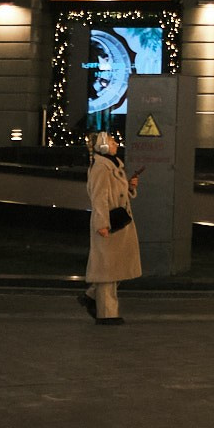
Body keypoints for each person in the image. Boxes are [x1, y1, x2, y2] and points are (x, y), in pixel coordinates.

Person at [82, 130, 140, 324]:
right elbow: (99, 198)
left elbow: (116, 193)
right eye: (113, 141)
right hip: (108, 225)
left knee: (115, 266)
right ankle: (107, 314)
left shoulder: (113, 166)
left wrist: (130, 187)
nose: (116, 144)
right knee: (107, 270)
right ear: (104, 146)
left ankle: (91, 296)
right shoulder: (101, 168)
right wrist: (102, 224)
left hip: (118, 224)